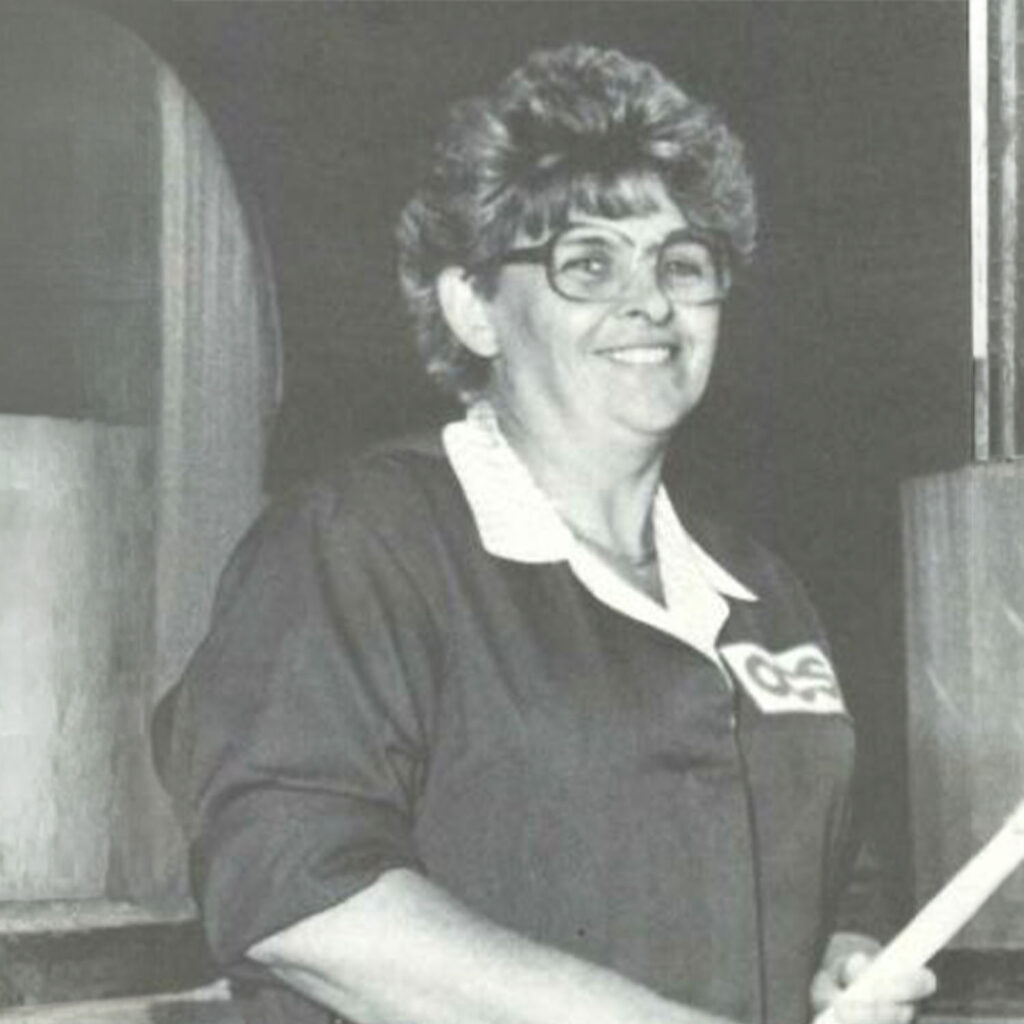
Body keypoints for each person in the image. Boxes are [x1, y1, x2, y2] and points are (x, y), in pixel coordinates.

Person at [154, 43, 937, 1024]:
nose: (649, 301)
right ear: (473, 306)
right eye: (588, 263)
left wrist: (847, 955)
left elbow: (830, 862)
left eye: (681, 263)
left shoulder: (758, 588)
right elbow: (293, 894)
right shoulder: (360, 542)